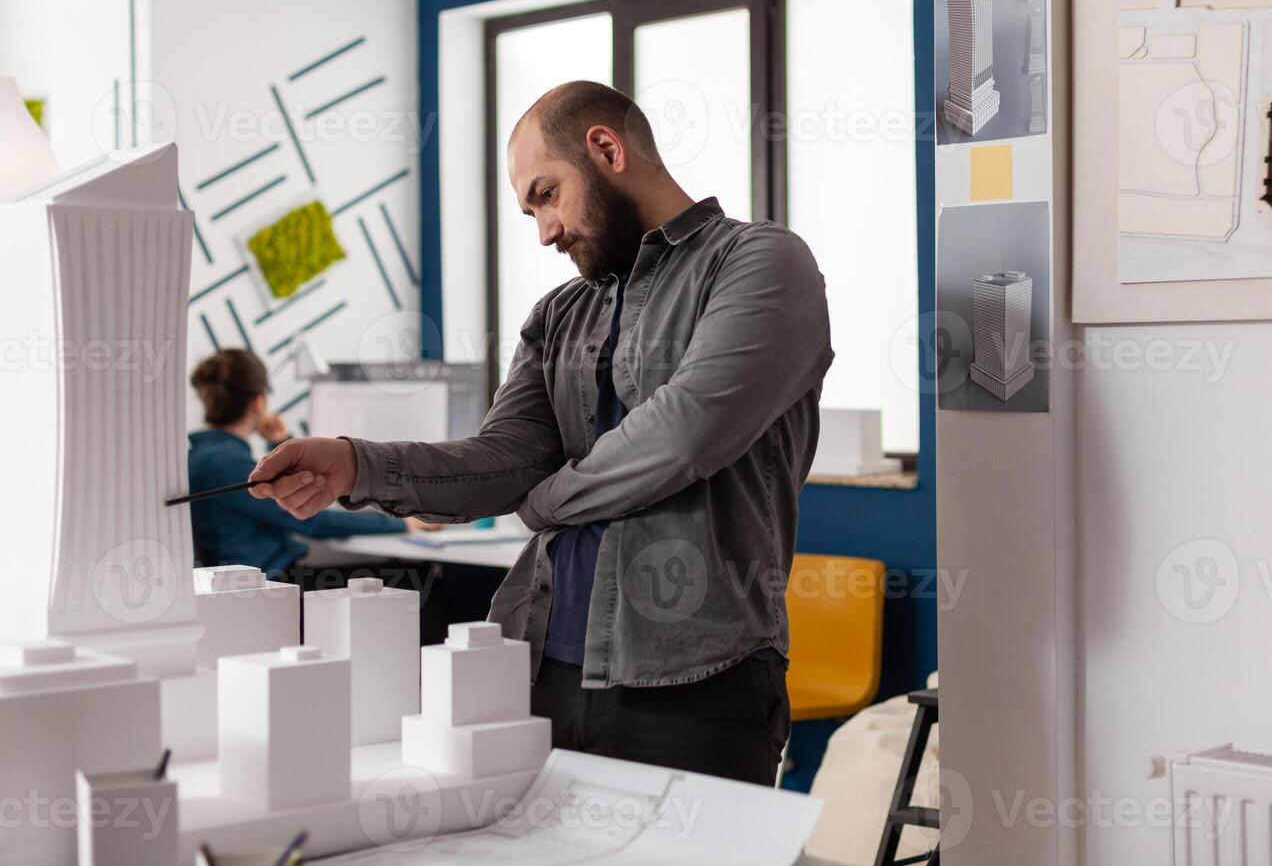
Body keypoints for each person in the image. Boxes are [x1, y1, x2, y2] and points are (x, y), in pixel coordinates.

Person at [248, 81, 833, 786]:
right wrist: (352, 464)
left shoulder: (761, 262)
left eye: (545, 195)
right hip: (536, 670)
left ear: (606, 149)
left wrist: (543, 503)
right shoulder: (560, 313)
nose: (545, 232)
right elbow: (502, 460)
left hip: (698, 682)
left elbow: (686, 433)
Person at [187, 349, 438, 578]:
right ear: (259, 401)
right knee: (419, 578)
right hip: (272, 584)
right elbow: (310, 518)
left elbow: (297, 493)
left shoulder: (206, 456)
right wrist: (400, 523)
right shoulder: (224, 462)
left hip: (266, 581)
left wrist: (281, 443)